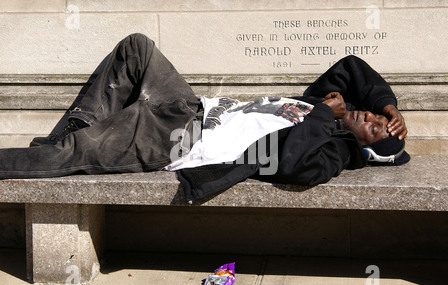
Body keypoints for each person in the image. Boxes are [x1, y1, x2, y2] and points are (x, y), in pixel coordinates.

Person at [0, 33, 409, 202]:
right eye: (373, 113)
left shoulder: (331, 149)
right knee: (136, 48)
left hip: (177, 143)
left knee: (71, 154)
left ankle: (64, 145)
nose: (367, 115)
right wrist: (390, 105)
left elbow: (292, 166)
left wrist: (321, 115)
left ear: (364, 148)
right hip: (190, 107)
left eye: (373, 126)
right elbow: (351, 64)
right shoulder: (328, 107)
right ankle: (69, 134)